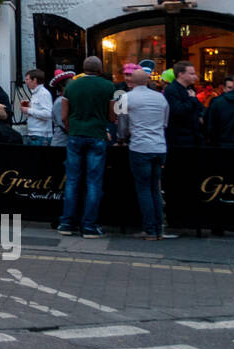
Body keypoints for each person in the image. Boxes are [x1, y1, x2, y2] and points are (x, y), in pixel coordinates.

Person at [57, 56, 117, 238]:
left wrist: (71, 129)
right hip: (96, 135)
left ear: (84, 68)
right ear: (100, 69)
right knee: (93, 182)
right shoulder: (108, 86)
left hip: (75, 135)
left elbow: (64, 116)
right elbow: (112, 117)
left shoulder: (71, 86)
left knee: (73, 180)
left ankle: (67, 223)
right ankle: (89, 226)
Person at [117, 65, 172, 241]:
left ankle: (149, 230)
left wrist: (123, 138)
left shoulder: (127, 97)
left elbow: (122, 125)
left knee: (144, 189)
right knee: (155, 188)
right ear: (148, 80)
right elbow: (165, 123)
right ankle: (159, 228)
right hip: (159, 146)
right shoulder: (160, 98)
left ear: (132, 81)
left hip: (140, 147)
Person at [163, 61, 205, 148]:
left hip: (192, 136)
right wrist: (192, 99)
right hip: (179, 140)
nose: (195, 77)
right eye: (191, 74)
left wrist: (201, 115)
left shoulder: (189, 89)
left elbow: (199, 108)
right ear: (181, 74)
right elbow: (178, 111)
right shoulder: (171, 90)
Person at [21, 69, 54, 146]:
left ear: (34, 80)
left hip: (41, 136)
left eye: (27, 79)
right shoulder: (36, 93)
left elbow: (48, 114)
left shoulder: (43, 93)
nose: (25, 82)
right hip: (34, 135)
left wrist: (29, 110)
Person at [48, 70, 74, 147]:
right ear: (63, 86)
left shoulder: (69, 99)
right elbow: (64, 124)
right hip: (61, 143)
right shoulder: (60, 102)